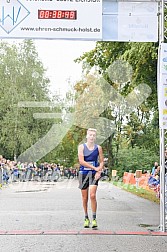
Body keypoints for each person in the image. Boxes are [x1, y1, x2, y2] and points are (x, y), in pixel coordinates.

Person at [78, 128, 104, 229]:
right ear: (87, 136)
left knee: (92, 195)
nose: (92, 137)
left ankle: (94, 218)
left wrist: (99, 171)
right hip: (83, 173)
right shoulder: (81, 147)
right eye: (90, 135)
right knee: (85, 198)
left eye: (93, 135)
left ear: (95, 137)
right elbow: (81, 161)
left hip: (94, 174)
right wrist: (94, 168)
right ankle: (86, 217)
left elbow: (101, 161)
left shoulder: (98, 148)